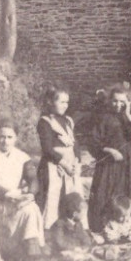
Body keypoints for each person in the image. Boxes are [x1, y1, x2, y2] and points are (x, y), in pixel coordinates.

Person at [88, 84, 131, 233]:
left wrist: (128, 113)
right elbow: (93, 142)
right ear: (110, 100)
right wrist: (109, 150)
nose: (118, 105)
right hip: (109, 163)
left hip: (129, 163)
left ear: (128, 102)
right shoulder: (103, 118)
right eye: (115, 101)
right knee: (106, 192)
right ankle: (105, 226)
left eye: (122, 102)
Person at [0, 118, 45, 259]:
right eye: (2, 137)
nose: (5, 141)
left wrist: (30, 194)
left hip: (15, 200)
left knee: (31, 208)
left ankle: (31, 248)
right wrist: (7, 194)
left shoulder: (22, 157)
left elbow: (33, 179)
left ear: (15, 138)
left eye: (9, 137)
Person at [37, 87, 83, 230]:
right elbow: (47, 149)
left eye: (67, 102)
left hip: (71, 165)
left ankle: (72, 230)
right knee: (54, 198)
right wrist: (64, 163)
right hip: (54, 165)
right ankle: (50, 230)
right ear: (50, 102)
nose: (65, 105)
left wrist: (77, 160)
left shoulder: (68, 121)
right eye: (61, 102)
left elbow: (75, 143)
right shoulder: (45, 122)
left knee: (71, 197)